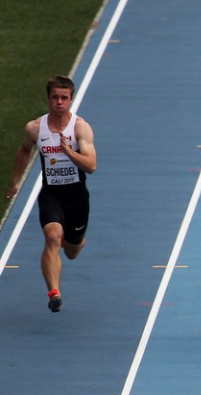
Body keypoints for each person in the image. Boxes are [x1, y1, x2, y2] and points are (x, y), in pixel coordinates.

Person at [6, 75, 97, 312]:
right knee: (52, 237)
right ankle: (54, 293)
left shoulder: (80, 127)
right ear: (48, 99)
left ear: (71, 100)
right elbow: (24, 150)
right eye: (55, 97)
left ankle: (76, 240)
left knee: (71, 251)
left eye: (64, 98)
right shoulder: (36, 128)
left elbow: (91, 165)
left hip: (76, 197)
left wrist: (69, 153)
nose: (59, 102)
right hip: (51, 195)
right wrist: (15, 182)